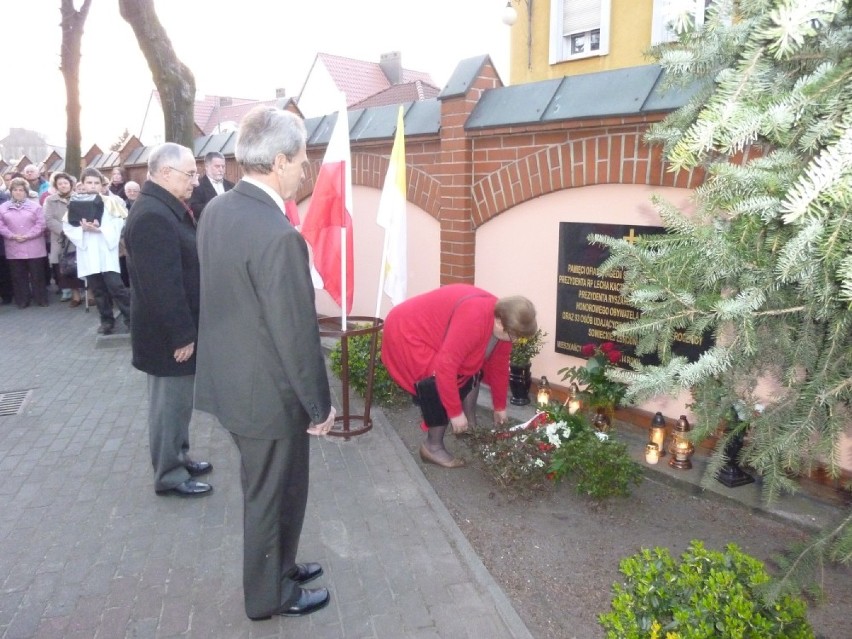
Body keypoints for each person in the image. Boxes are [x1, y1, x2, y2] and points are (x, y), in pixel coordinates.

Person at [195, 106, 335, 621]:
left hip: (233, 382)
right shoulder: (278, 235)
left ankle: (283, 566)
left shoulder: (220, 209)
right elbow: (296, 333)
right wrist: (320, 404)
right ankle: (269, 596)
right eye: (301, 160)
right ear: (279, 161)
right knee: (271, 496)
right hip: (266, 394)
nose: (305, 170)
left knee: (284, 487)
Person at [124, 142, 212, 498]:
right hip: (168, 337)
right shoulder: (152, 217)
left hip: (173, 330)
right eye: (189, 173)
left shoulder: (164, 209)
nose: (195, 181)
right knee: (168, 406)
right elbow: (162, 286)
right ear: (165, 174)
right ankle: (169, 474)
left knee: (177, 405)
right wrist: (181, 336)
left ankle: (179, 455)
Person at [381, 285, 538, 468]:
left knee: (471, 366)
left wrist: (500, 406)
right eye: (515, 337)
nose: (517, 341)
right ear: (499, 323)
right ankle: (432, 447)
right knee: (436, 384)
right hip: (407, 331)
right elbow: (445, 370)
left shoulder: (504, 319)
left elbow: (499, 366)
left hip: (427, 331)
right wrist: (455, 413)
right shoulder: (474, 319)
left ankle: (469, 427)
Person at [63, 168, 131, 334]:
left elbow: (119, 223)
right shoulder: (75, 202)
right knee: (98, 289)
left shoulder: (110, 202)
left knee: (117, 287)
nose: (92, 186)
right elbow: (68, 226)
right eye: (89, 182)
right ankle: (106, 321)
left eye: (96, 183)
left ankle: (131, 318)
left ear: (102, 185)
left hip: (106, 250)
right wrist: (82, 229)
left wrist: (100, 230)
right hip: (88, 252)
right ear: (83, 184)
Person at [0, 177, 48, 307]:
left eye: (21, 190)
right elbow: (1, 225)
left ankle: (41, 299)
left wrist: (28, 235)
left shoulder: (35, 206)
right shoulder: (3, 207)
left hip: (34, 246)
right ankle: (22, 300)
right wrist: (12, 235)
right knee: (18, 276)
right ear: (11, 192)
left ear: (26, 192)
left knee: (37, 275)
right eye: (15, 190)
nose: (18, 192)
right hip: (13, 246)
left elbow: (41, 224)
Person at [43, 172, 78, 303]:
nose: (63, 186)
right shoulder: (50, 200)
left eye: (65, 183)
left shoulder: (78, 198)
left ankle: (89, 293)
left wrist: (75, 231)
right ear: (56, 186)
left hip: (78, 237)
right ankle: (73, 294)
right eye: (60, 184)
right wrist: (65, 231)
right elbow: (48, 218)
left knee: (82, 265)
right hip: (60, 238)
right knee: (66, 267)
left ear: (70, 184)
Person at [188, 151, 233, 220]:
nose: (221, 170)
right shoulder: (197, 186)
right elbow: (195, 209)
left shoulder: (232, 186)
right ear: (206, 167)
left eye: (223, 166)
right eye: (217, 166)